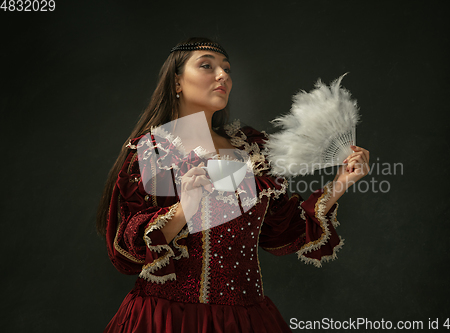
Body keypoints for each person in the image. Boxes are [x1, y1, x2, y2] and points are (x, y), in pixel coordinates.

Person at [97, 37, 370, 333]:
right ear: (177, 82)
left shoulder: (252, 149)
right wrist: (185, 208)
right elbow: (128, 251)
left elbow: (281, 233)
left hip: (245, 321)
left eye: (226, 69)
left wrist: (342, 181)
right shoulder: (156, 149)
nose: (223, 75)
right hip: (166, 320)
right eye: (207, 66)